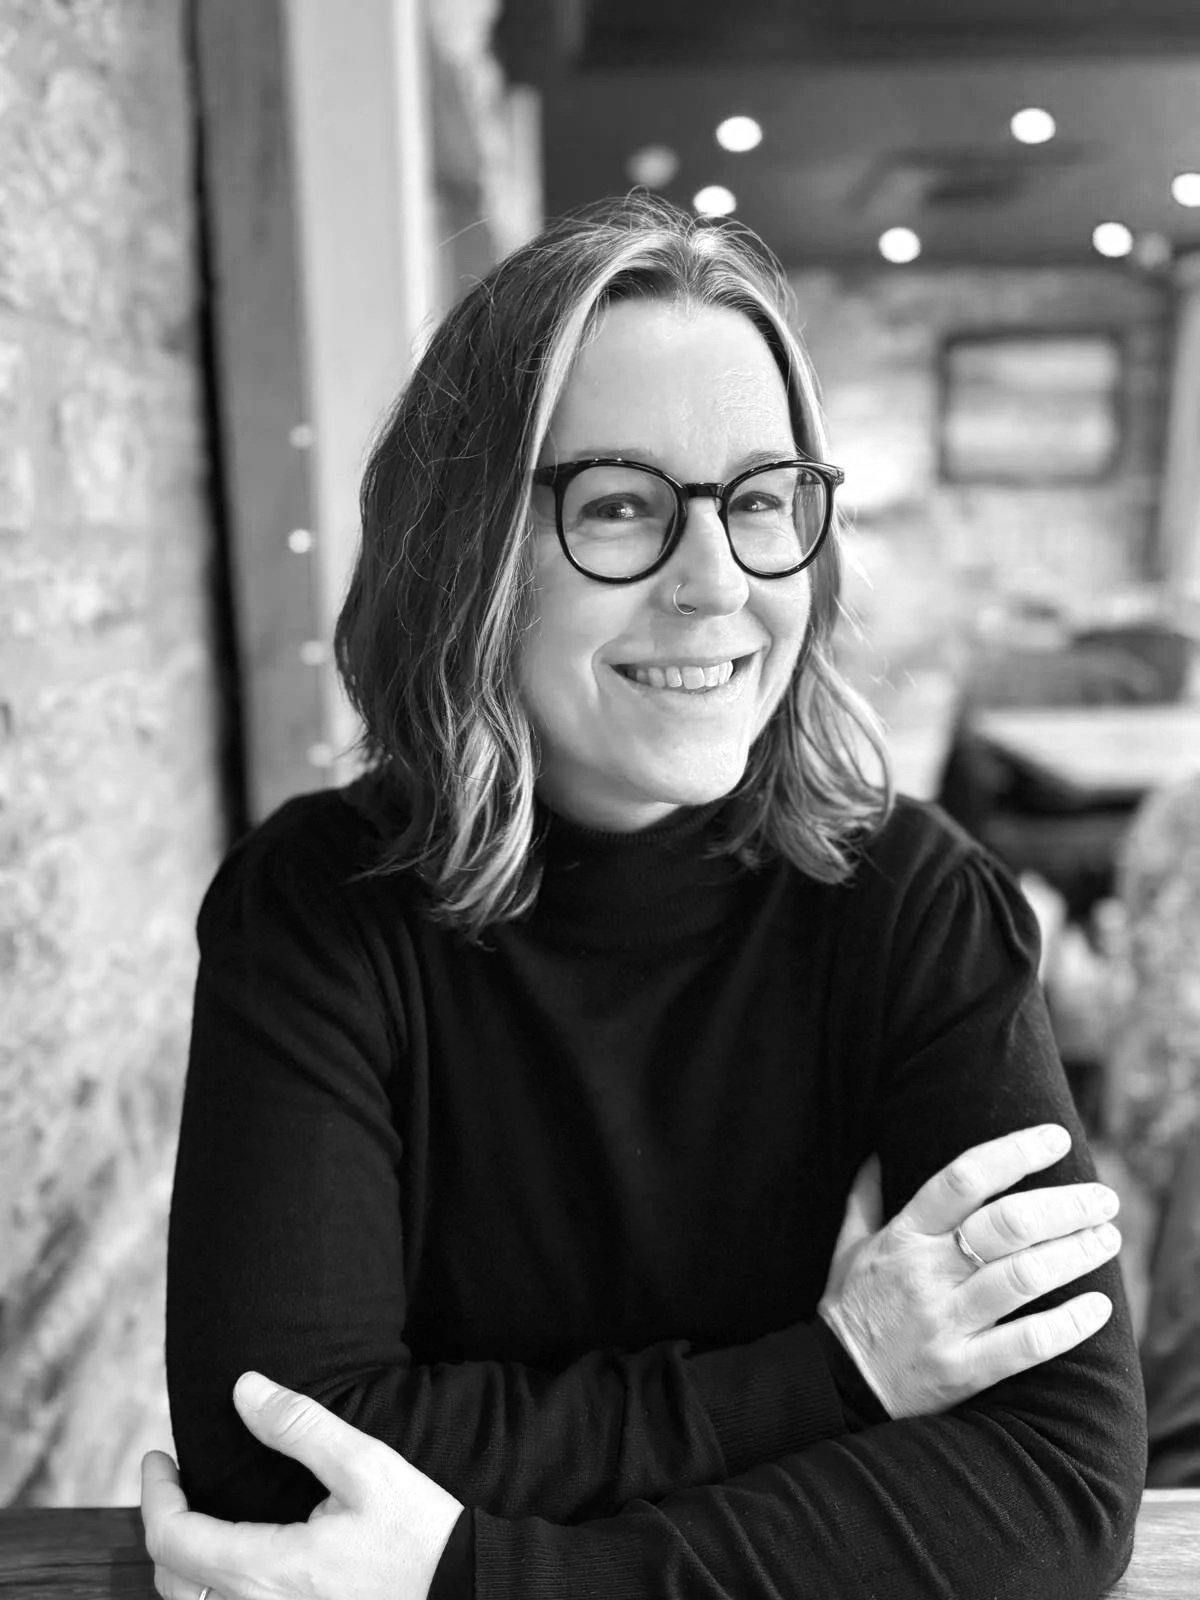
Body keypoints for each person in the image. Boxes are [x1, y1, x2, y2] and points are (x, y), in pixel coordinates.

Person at [142, 195, 1145, 1600]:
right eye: (621, 506)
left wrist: (484, 1579)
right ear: (470, 549)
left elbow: (1058, 1483)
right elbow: (280, 1463)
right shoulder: (317, 908)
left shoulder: (911, 901)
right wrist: (842, 1373)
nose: (718, 581)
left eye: (757, 501)